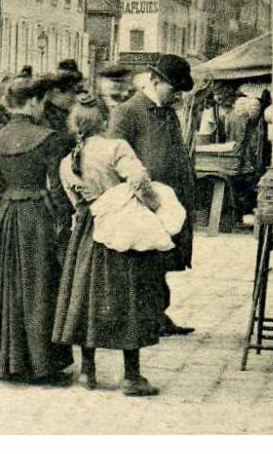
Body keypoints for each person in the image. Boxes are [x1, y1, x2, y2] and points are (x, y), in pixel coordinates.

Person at [53, 95, 165, 396]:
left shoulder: (68, 161)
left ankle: (88, 373)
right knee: (129, 296)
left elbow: (74, 200)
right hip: (122, 229)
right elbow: (139, 180)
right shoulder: (116, 147)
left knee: (88, 297)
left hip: (89, 231)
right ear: (104, 120)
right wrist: (153, 207)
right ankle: (131, 377)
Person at [0, 76, 74, 383]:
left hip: (7, 216)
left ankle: (4, 360)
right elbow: (57, 188)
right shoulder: (48, 137)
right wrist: (65, 218)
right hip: (38, 215)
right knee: (39, 285)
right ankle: (41, 363)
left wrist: (8, 200)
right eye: (41, 102)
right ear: (33, 102)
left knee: (6, 285)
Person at [107, 53, 196, 337]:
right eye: (173, 89)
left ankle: (157, 314)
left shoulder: (168, 111)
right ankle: (142, 319)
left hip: (169, 203)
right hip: (144, 202)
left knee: (162, 262)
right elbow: (114, 158)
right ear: (155, 80)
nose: (176, 96)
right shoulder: (127, 112)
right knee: (144, 263)